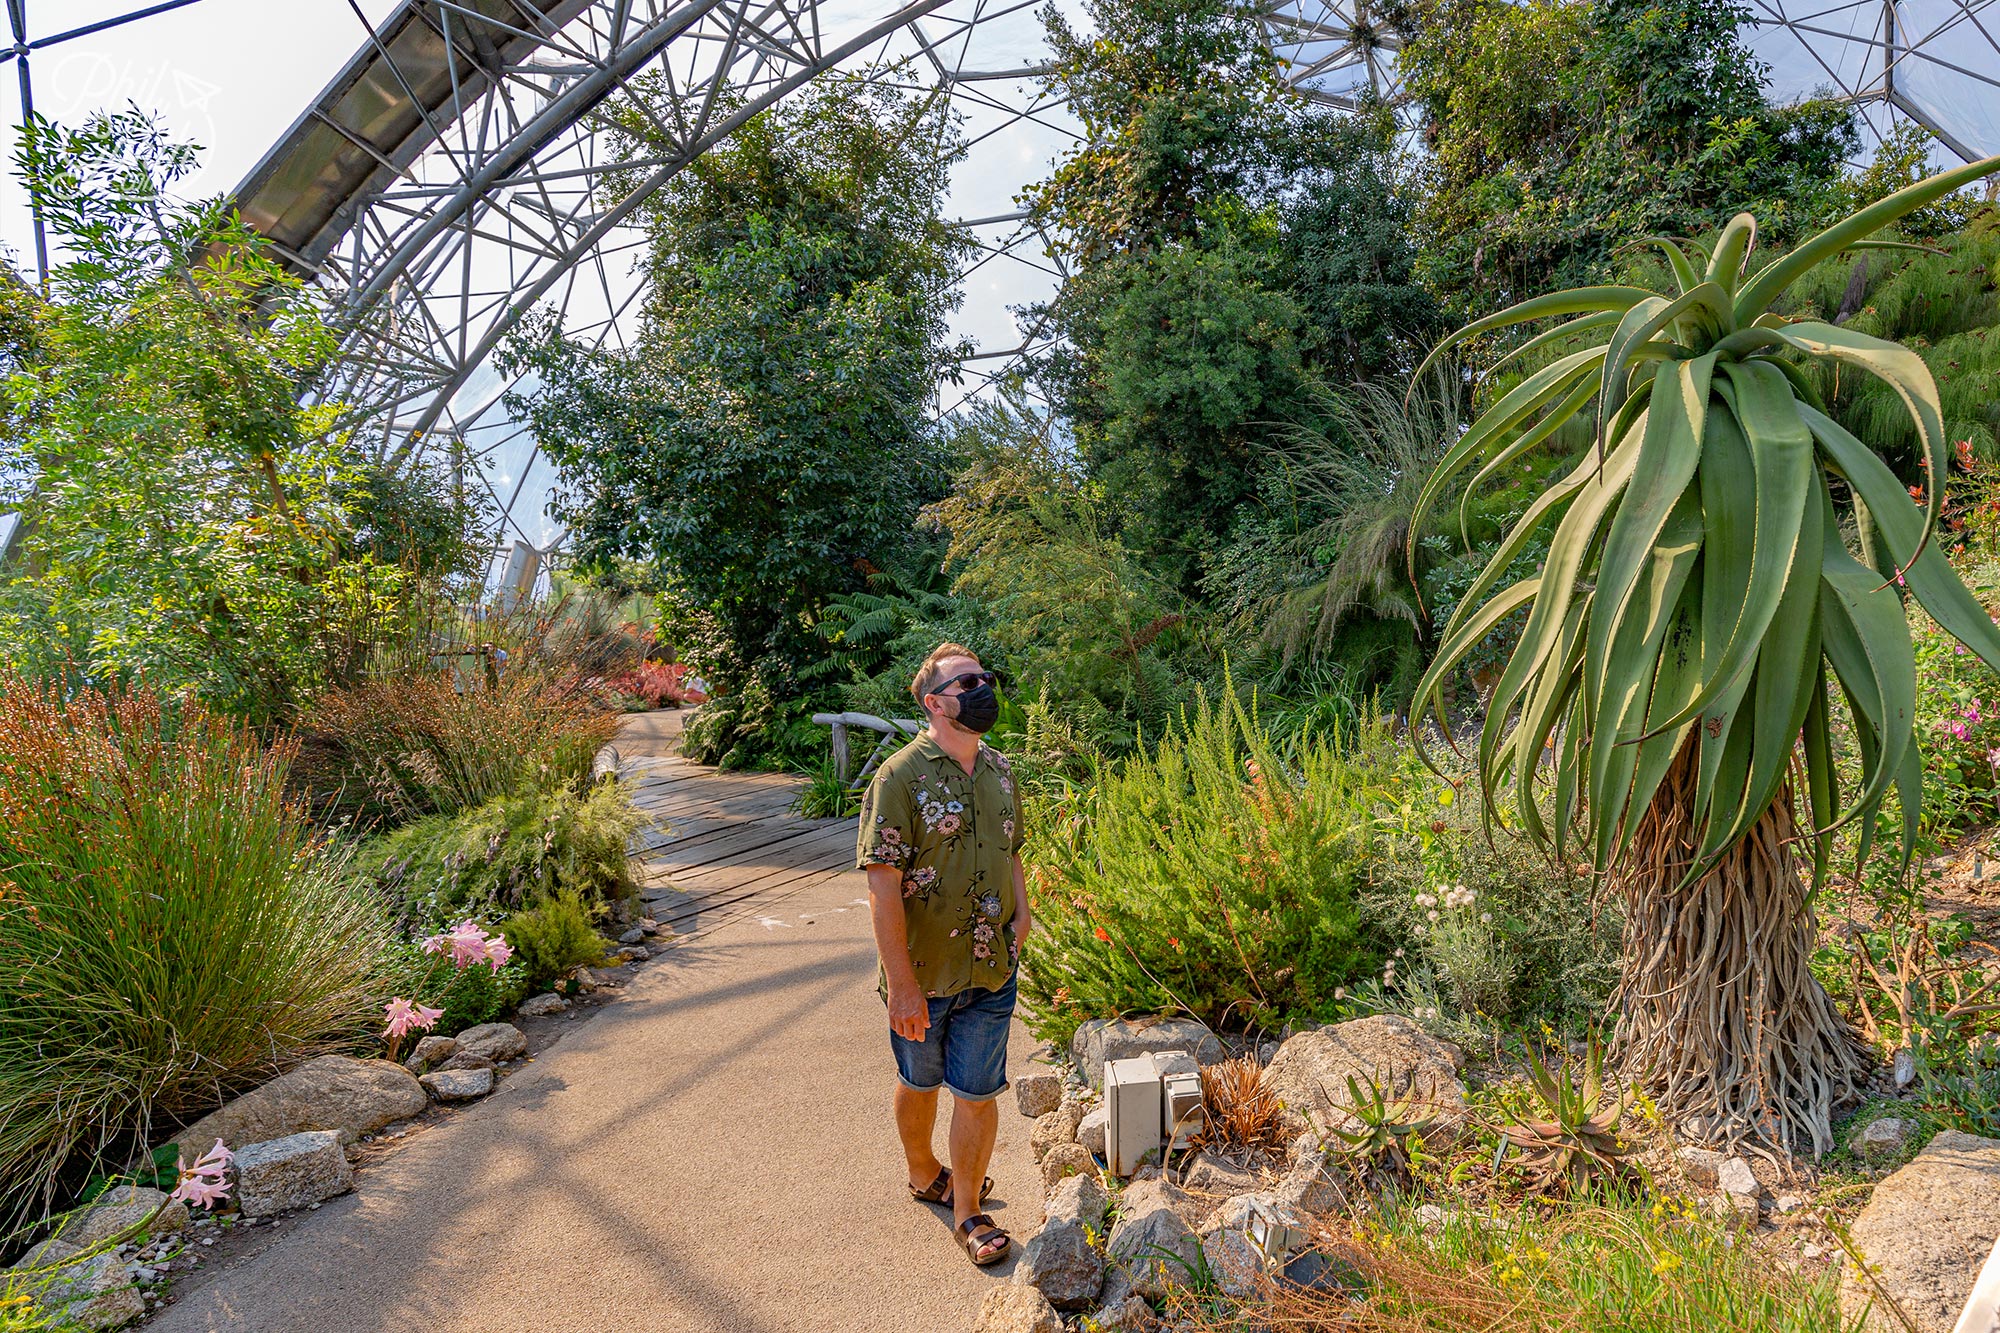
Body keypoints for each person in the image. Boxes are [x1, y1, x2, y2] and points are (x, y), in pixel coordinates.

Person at [856, 643, 1031, 1268]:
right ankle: (921, 1169)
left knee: (978, 1091)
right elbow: (881, 881)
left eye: (987, 675)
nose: (984, 686)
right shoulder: (899, 778)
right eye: (968, 681)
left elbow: (1012, 849)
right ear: (935, 703)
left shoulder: (1003, 770)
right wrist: (901, 985)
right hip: (923, 974)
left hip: (991, 966)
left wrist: (1024, 910)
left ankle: (967, 1211)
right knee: (919, 1080)